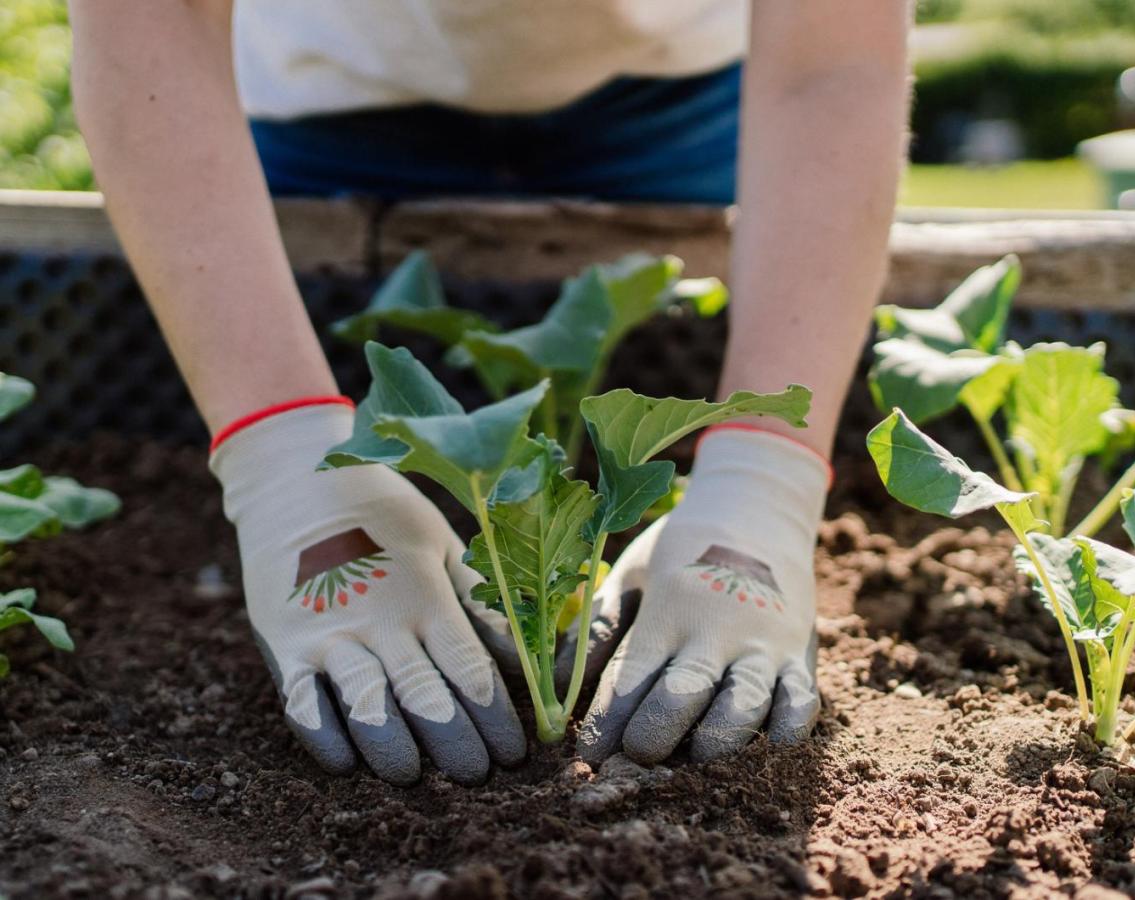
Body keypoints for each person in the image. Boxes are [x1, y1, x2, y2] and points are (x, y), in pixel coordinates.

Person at [67, 1, 912, 784]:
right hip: (327, 108)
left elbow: (834, 57)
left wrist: (763, 483)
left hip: (684, 106)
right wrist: (281, 458)